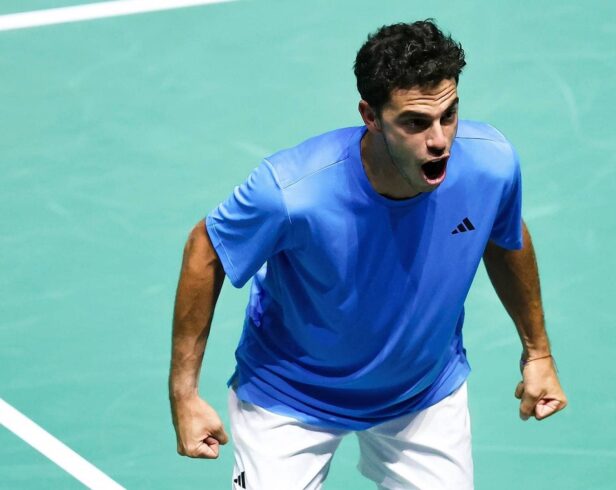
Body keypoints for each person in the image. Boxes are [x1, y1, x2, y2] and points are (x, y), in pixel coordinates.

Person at [169, 19, 567, 489]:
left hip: (420, 393)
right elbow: (207, 247)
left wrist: (537, 353)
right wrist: (184, 394)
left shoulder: (490, 166)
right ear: (371, 115)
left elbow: (503, 235)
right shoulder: (294, 192)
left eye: (449, 114)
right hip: (292, 395)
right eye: (415, 122)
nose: (439, 140)